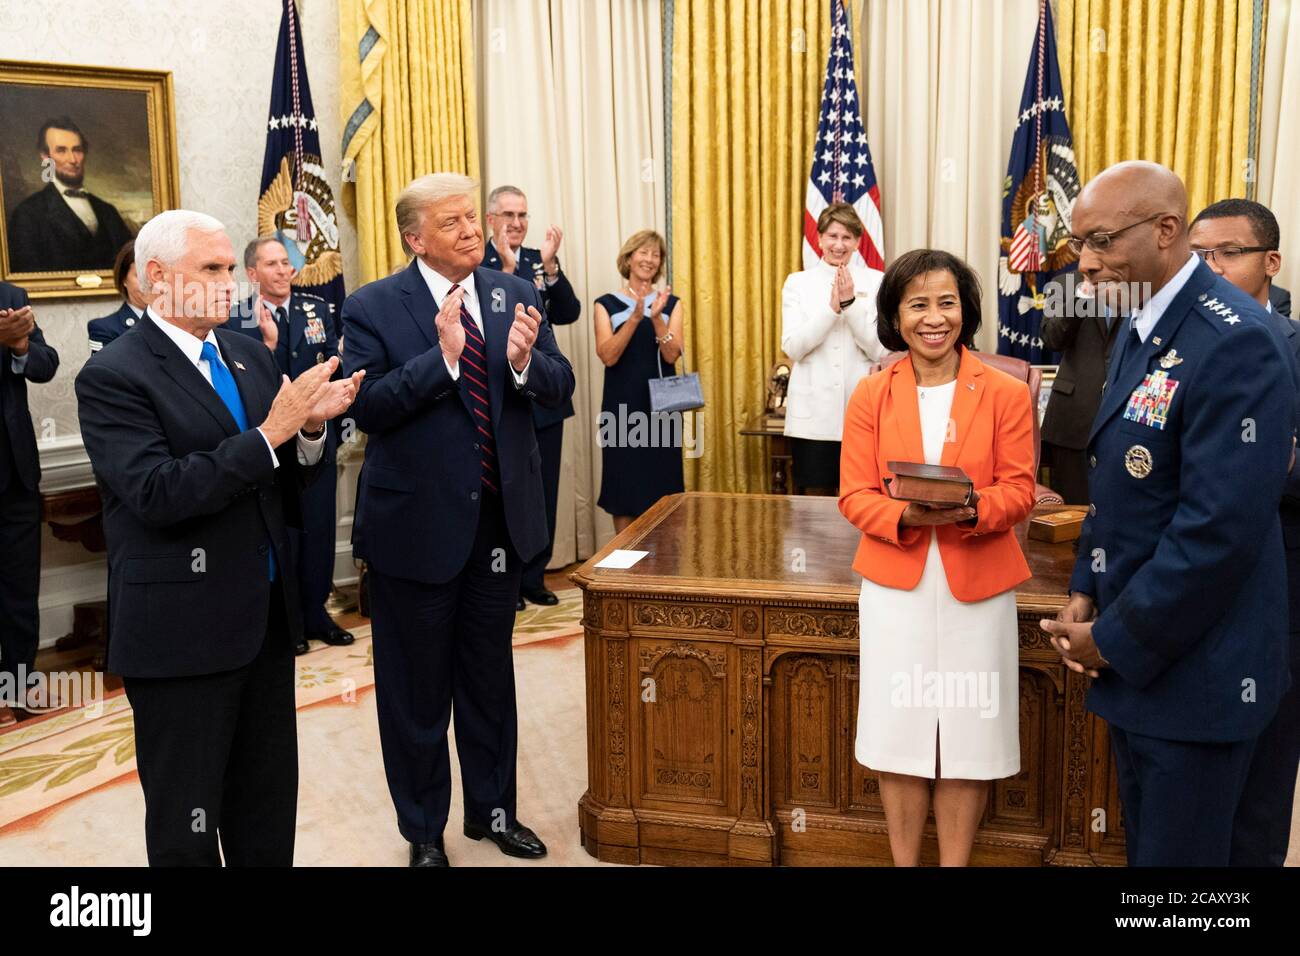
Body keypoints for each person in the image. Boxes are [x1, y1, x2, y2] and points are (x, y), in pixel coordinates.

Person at [74, 209, 362, 865]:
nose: (229, 282)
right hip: (181, 635)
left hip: (263, 622)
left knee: (265, 810)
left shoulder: (248, 355)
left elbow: (284, 483)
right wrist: (269, 435)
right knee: (189, 825)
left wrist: (310, 431)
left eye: (231, 267)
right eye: (212, 268)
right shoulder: (113, 375)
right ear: (155, 278)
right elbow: (158, 493)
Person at [1041, 162, 1295, 867]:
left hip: (1200, 673)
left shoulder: (1236, 339)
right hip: (1142, 664)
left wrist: (1114, 638)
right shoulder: (1140, 320)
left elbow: (1217, 532)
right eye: (1077, 243)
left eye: (1100, 241)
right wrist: (1087, 591)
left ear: (1165, 230)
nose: (1084, 263)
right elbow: (1116, 483)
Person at [341, 173, 575, 867]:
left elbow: (558, 389)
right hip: (413, 533)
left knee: (487, 676)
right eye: (454, 222)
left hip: (498, 530)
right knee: (414, 694)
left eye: (474, 217)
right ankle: (423, 833)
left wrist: (529, 362)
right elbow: (369, 409)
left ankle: (492, 813)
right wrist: (441, 359)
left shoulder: (516, 292)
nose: (474, 230)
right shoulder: (372, 306)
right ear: (415, 238)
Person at [839, 249, 1036, 866]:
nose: (934, 318)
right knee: (901, 732)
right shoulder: (871, 394)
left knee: (969, 734)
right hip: (897, 588)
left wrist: (971, 510)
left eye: (946, 302)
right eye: (917, 304)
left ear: (966, 310)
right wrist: (906, 516)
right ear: (896, 316)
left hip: (976, 586)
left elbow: (1020, 489)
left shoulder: (1005, 391)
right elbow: (853, 495)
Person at [1189, 198, 1300, 866]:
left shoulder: (1294, 347)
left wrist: (1258, 463)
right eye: (1198, 256)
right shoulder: (1162, 345)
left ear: (1271, 262)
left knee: (1261, 784)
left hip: (1280, 591)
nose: (1210, 268)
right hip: (1186, 598)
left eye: (1227, 253)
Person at [224, 236, 352, 654]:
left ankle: (318, 613)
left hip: (316, 435)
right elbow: (253, 384)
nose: (283, 270)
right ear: (251, 273)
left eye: (287, 262)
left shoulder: (317, 308)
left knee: (318, 528)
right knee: (285, 533)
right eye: (272, 264)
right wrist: (270, 348)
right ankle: (291, 624)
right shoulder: (235, 318)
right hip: (270, 438)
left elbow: (331, 366)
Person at [480, 185, 581, 609]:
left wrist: (552, 265)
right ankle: (507, 577)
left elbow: (569, 311)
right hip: (501, 396)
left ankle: (534, 576)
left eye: (523, 215)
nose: (517, 223)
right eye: (508, 215)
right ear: (490, 220)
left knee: (544, 489)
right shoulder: (477, 261)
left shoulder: (538, 261)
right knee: (505, 490)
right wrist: (506, 267)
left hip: (544, 394)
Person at [780, 203, 885, 494]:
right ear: (820, 239)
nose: (839, 245)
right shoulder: (798, 283)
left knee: (862, 500)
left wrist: (850, 305)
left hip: (862, 412)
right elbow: (794, 347)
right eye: (832, 236)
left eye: (847, 237)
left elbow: (880, 351)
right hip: (813, 418)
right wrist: (831, 310)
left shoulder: (877, 281)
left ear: (857, 242)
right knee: (814, 508)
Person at [594, 230, 685, 534]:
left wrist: (656, 317)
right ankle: (625, 568)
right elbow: (608, 356)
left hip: (663, 408)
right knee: (624, 487)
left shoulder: (672, 304)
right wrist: (634, 318)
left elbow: (672, 355)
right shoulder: (605, 304)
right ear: (629, 257)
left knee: (664, 487)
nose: (649, 259)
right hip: (622, 407)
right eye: (643, 252)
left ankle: (663, 571)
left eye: (655, 254)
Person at [0, 282, 59, 727]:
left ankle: (19, 684)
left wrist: (20, 343)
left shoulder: (11, 295)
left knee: (21, 589)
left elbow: (45, 365)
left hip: (17, 473)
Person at [7, 117, 134, 273]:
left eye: (77, 150)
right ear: (45, 157)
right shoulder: (27, 214)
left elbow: (130, 268)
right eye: (61, 150)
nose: (73, 159)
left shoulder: (108, 212)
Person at [1039, 275, 1123, 504]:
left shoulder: (1139, 279)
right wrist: (1083, 295)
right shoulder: (1063, 283)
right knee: (1072, 517)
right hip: (1073, 419)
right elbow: (1053, 339)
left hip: (1124, 415)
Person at [87, 241, 152, 355]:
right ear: (124, 280)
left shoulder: (178, 322)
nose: (148, 283)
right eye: (139, 276)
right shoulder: (105, 328)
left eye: (154, 275)